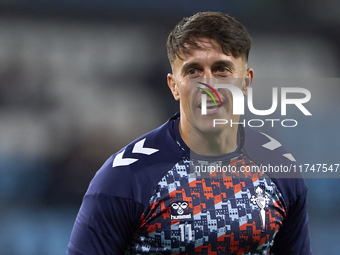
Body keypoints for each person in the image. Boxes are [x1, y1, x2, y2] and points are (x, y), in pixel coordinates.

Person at [67, 12, 311, 254]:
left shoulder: (278, 167)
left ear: (246, 82)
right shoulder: (126, 176)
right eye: (193, 71)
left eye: (221, 69)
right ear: (174, 85)